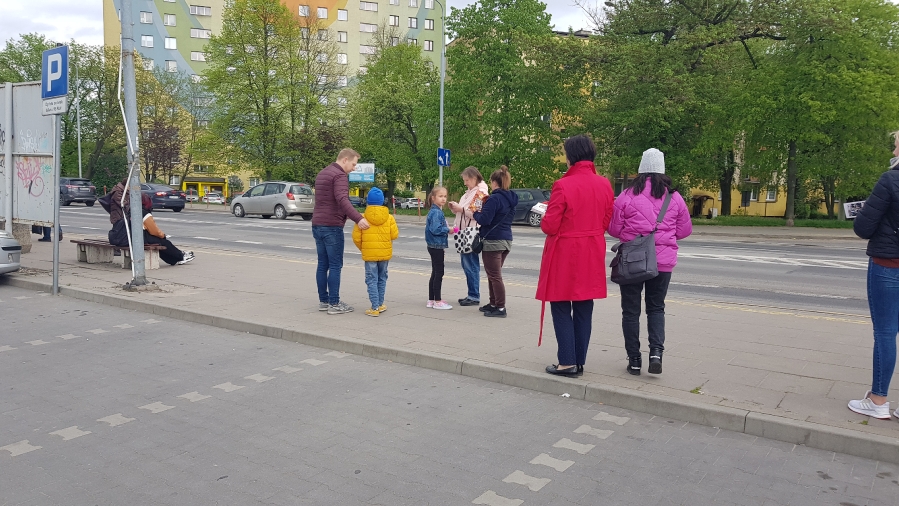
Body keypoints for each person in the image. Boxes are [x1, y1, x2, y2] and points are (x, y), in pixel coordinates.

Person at [536, 135, 615, 376]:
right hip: (592, 250)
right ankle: (579, 360)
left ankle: (567, 361)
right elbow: (606, 220)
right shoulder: (605, 184)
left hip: (565, 252)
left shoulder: (563, 185)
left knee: (560, 304)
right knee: (584, 305)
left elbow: (550, 226)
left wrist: (547, 214)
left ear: (571, 157)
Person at [609, 148, 692, 375]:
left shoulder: (626, 196)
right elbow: (684, 230)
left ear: (641, 170)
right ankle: (656, 353)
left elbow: (614, 229)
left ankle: (634, 360)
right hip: (662, 263)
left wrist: (633, 234)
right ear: (662, 170)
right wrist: (665, 236)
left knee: (630, 311)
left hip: (632, 261)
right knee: (656, 308)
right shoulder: (674, 197)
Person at [847, 131, 899, 420]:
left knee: (886, 332)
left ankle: (878, 399)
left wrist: (869, 211)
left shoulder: (890, 180)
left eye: (896, 146)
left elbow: (863, 228)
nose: (893, 151)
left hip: (888, 265)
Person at [312, 148, 371, 315]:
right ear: (345, 160)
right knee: (335, 265)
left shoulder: (323, 173)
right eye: (353, 164)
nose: (354, 168)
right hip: (332, 226)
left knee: (322, 265)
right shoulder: (339, 176)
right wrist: (358, 218)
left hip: (317, 224)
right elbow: (342, 200)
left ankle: (324, 301)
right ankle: (334, 303)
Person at [473, 166, 518, 318]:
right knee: (492, 274)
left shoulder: (494, 199)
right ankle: (493, 304)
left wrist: (475, 213)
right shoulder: (511, 199)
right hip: (506, 240)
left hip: (493, 241)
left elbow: (485, 220)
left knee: (495, 275)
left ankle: (500, 307)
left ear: (494, 182)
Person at [351, 187, 398, 317]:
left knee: (371, 279)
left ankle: (374, 307)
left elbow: (356, 238)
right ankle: (380, 304)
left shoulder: (362, 218)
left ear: (368, 201)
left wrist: (364, 248)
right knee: (382, 278)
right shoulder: (389, 218)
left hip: (369, 256)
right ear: (382, 201)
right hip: (384, 254)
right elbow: (394, 235)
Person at [114, 193, 194, 266]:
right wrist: (163, 235)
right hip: (140, 238)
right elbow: (154, 230)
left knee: (159, 243)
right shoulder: (144, 213)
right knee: (163, 242)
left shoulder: (130, 211)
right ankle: (181, 256)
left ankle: (174, 260)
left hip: (127, 238)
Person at [449, 167, 489, 307]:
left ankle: (474, 295)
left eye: (466, 180)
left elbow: (476, 213)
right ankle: (472, 294)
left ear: (474, 178)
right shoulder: (469, 193)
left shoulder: (480, 193)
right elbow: (465, 212)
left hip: (471, 232)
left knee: (470, 264)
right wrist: (456, 209)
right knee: (467, 263)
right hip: (464, 232)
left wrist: (460, 209)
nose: (465, 183)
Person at [425, 186, 452, 310]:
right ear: (433, 198)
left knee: (435, 272)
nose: (443, 199)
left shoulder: (434, 210)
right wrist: (448, 230)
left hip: (433, 245)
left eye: (445, 196)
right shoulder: (436, 212)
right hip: (436, 246)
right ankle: (437, 301)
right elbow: (436, 229)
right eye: (440, 196)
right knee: (439, 272)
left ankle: (431, 299)